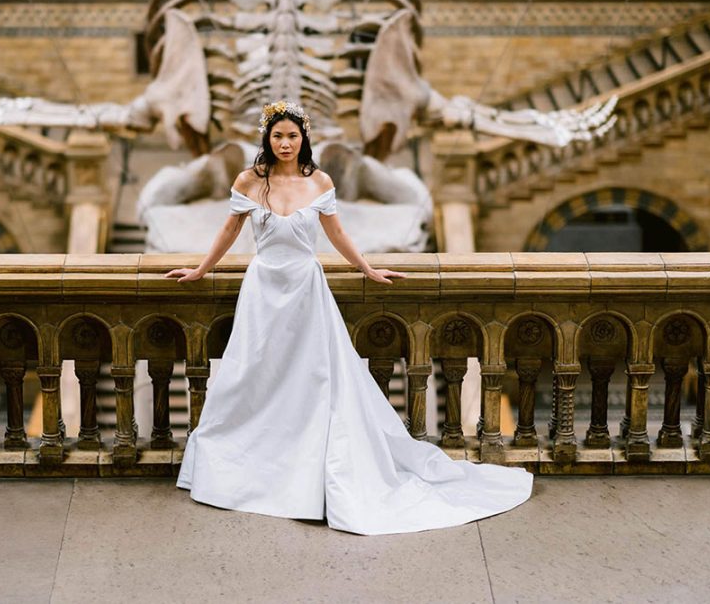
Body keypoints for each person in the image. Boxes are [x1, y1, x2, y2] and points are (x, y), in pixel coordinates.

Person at [166, 100, 533, 535]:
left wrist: (368, 268)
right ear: (267, 138)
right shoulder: (249, 181)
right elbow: (229, 230)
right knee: (252, 373)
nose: (285, 143)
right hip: (263, 289)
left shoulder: (318, 181)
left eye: (293, 136)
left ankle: (310, 468)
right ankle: (248, 464)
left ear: (304, 139)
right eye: (278, 135)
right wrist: (199, 270)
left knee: (312, 378)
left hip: (305, 289)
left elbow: (335, 232)